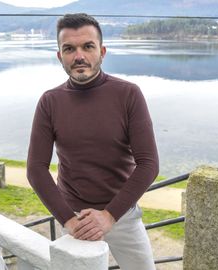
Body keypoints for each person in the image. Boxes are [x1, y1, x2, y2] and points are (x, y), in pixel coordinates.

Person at [26, 13, 159, 269]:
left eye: (88, 46)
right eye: (69, 49)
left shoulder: (128, 94)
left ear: (102, 51)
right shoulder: (50, 101)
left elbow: (149, 164)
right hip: (75, 220)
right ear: (59, 56)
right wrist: (69, 220)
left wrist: (110, 215)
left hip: (123, 216)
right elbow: (36, 169)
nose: (79, 56)